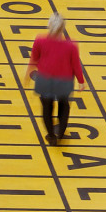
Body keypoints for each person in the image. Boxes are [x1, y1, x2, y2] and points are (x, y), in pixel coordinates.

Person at [24, 12, 85, 145]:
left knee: (47, 107)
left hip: (45, 80)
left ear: (49, 25)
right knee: (64, 105)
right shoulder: (71, 45)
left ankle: (51, 136)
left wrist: (28, 74)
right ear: (62, 28)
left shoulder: (40, 40)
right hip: (64, 80)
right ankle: (61, 133)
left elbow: (34, 59)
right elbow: (75, 64)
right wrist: (81, 81)